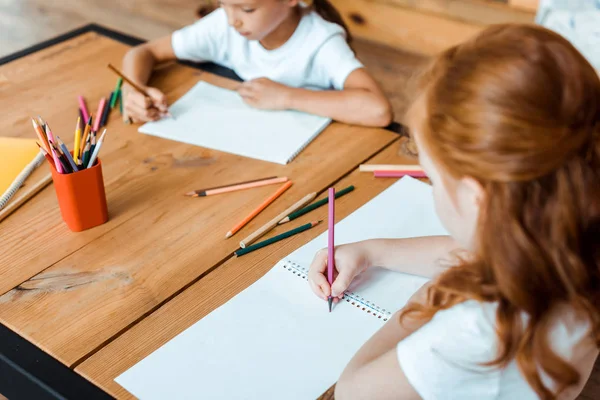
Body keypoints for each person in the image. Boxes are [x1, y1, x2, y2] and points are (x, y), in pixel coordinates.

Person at [308, 24, 600, 399]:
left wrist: (425, 299)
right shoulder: (573, 239)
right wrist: (375, 251)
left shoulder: (478, 331)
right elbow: (479, 254)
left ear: (476, 198)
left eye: (431, 177)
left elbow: (353, 391)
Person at [121, 0, 392, 127]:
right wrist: (134, 91)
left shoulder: (320, 42)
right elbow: (144, 53)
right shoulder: (223, 25)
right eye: (223, 4)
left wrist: (287, 96)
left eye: (247, 9)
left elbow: (378, 110)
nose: (232, 20)